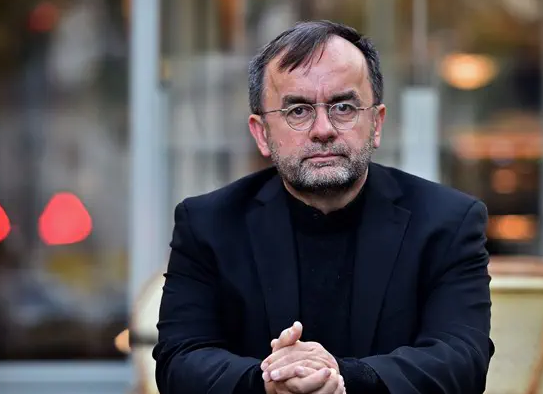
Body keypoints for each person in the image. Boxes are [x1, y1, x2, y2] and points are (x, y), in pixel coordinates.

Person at [153, 20, 494, 394]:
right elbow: (179, 361)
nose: (323, 129)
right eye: (298, 110)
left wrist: (344, 377)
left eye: (343, 107)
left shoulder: (448, 222)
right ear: (261, 133)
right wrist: (269, 383)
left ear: (376, 123)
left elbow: (462, 360)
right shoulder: (208, 224)